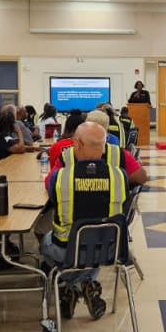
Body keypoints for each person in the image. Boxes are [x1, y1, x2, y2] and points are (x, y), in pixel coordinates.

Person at [42, 122, 128, 320]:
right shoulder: (120, 176)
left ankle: (72, 288)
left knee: (44, 244)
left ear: (78, 144)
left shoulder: (60, 177)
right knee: (91, 244)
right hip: (109, 249)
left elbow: (54, 201)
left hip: (66, 249)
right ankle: (87, 284)